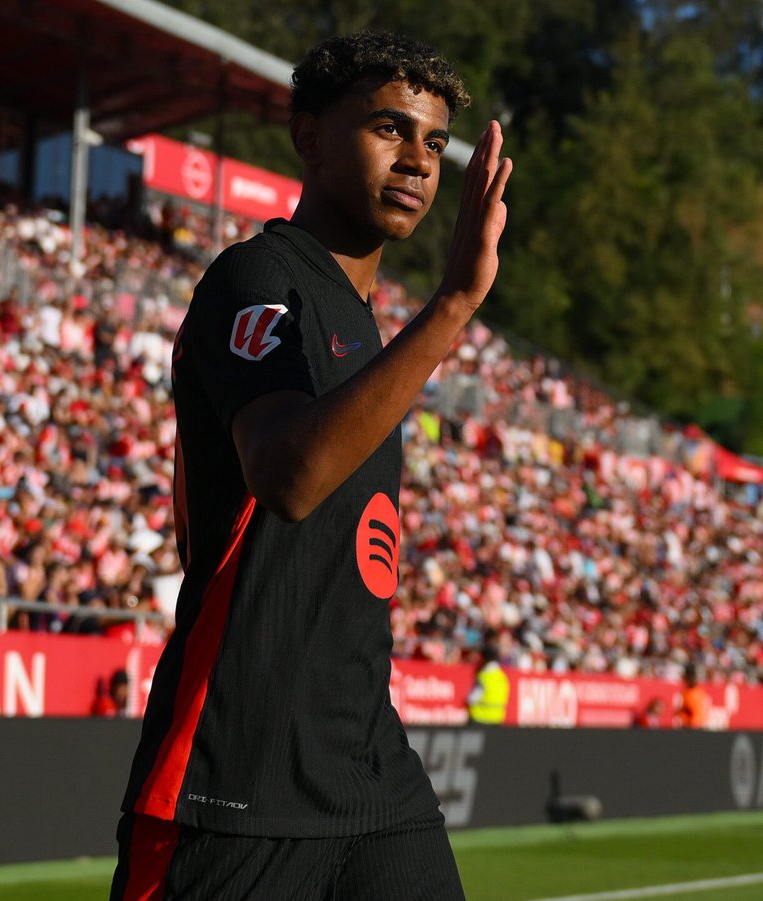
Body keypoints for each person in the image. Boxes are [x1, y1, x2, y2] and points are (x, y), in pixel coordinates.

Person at [112, 32, 510, 901]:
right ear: (308, 138)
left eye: (435, 143)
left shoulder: (366, 324)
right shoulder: (255, 276)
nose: (416, 160)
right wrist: (454, 306)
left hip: (369, 771)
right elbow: (288, 478)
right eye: (388, 128)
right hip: (237, 775)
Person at [466, 639, 509, 725]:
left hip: (479, 718)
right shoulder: (502, 677)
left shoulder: (484, 676)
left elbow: (472, 698)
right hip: (497, 719)